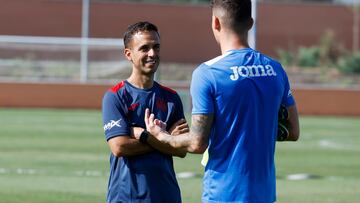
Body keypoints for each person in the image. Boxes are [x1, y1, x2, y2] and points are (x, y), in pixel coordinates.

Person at [143, 1, 300, 203]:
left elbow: (197, 142)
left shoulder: (207, 73)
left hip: (223, 194)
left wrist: (162, 136)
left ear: (215, 22)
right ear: (250, 23)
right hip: (265, 194)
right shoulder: (275, 69)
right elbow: (293, 131)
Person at [102, 21, 189, 203]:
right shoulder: (115, 96)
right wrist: (166, 138)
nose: (152, 54)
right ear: (129, 54)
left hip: (167, 196)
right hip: (127, 197)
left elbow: (181, 150)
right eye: (144, 48)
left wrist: (145, 136)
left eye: (156, 47)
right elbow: (119, 147)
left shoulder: (172, 98)